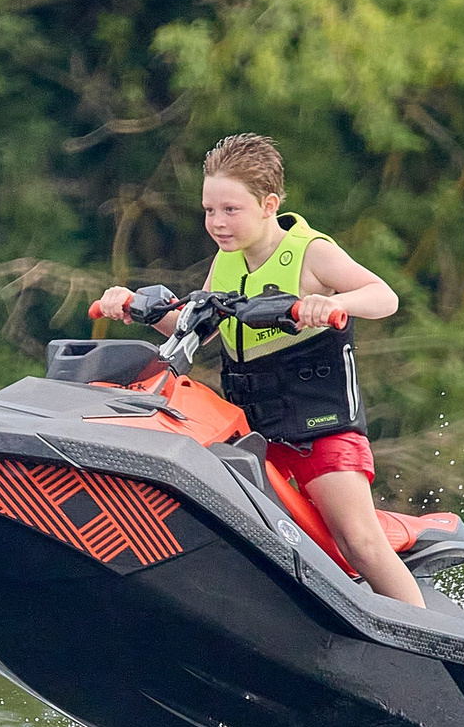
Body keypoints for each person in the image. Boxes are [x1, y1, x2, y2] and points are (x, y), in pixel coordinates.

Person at [93, 133, 426, 609]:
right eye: (209, 210)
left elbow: (384, 297)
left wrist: (328, 303)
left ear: (268, 205)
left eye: (231, 210)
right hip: (253, 433)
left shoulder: (312, 253)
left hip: (320, 431)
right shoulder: (226, 263)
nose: (217, 223)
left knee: (358, 542)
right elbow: (195, 326)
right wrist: (132, 304)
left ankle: (431, 645)